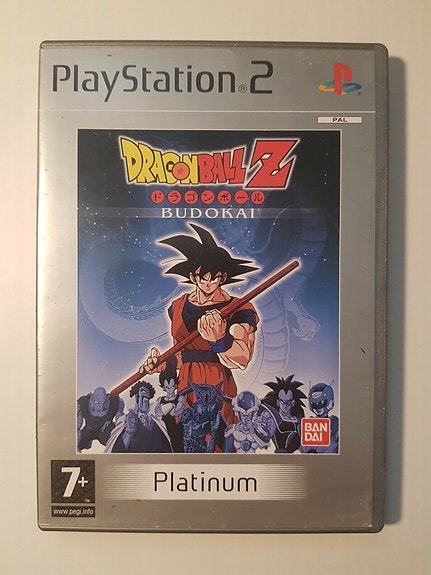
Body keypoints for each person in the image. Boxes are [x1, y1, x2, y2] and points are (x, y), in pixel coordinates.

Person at [141, 224, 259, 427]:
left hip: (218, 383)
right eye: (203, 278)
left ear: (222, 278)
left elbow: (242, 358)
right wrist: (164, 364)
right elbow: (183, 354)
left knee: (218, 434)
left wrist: (220, 340)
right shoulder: (177, 307)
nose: (208, 283)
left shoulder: (239, 308)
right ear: (193, 277)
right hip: (186, 384)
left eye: (214, 278)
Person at [105, 380, 172, 453]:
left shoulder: (157, 421)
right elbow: (116, 452)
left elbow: (167, 447)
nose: (145, 399)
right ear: (135, 397)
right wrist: (128, 433)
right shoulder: (125, 420)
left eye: (147, 396)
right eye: (141, 393)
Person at [260, 375, 307, 453]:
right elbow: (265, 436)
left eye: (288, 402)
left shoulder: (298, 420)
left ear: (293, 402)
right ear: (278, 402)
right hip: (280, 454)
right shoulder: (274, 418)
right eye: (282, 402)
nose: (285, 405)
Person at [77, 386, 124, 451]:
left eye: (102, 402)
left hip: (105, 429)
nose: (100, 406)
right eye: (97, 402)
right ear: (92, 397)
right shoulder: (83, 402)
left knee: (116, 445)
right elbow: (77, 424)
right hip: (89, 429)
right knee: (77, 444)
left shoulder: (115, 402)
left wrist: (113, 424)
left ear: (106, 398)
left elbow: (120, 420)